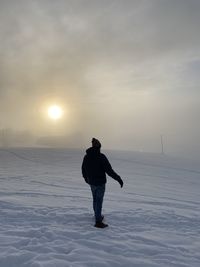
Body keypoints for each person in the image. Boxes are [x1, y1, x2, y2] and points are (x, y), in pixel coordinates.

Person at [82, 138, 123, 228]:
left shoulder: (86, 156)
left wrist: (86, 179)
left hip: (92, 183)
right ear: (99, 147)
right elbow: (109, 171)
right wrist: (118, 179)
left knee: (95, 199)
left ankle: (97, 215)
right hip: (100, 183)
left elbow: (83, 169)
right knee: (99, 201)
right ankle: (98, 221)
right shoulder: (101, 157)